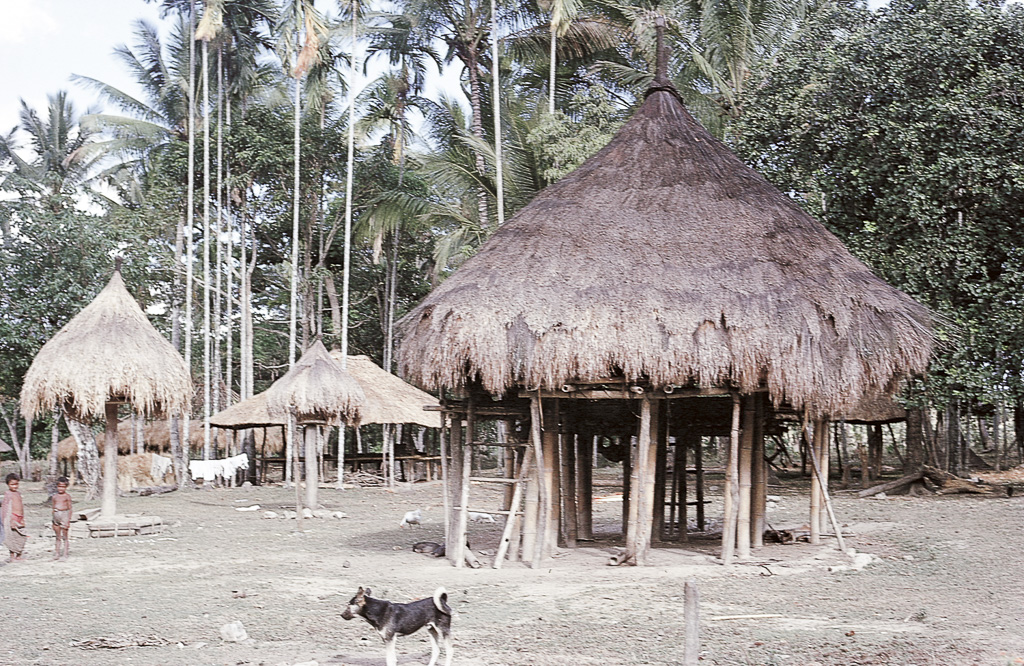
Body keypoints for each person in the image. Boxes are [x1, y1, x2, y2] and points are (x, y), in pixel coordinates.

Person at [2, 473, 27, 562]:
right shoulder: (8, 494)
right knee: (12, 537)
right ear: (8, 484)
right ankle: (12, 556)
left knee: (21, 537)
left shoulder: (18, 493)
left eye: (16, 484)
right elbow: (6, 507)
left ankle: (19, 555)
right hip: (12, 518)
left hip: (19, 518)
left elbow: (21, 506)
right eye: (12, 484)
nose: (15, 486)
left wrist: (22, 518)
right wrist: (9, 520)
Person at [52, 476, 72, 560]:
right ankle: (57, 554)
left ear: (66, 487)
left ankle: (65, 554)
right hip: (56, 515)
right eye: (59, 486)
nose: (61, 488)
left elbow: (70, 508)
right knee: (57, 537)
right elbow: (53, 508)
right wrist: (53, 519)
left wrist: (68, 520)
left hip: (64, 515)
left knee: (65, 537)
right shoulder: (55, 497)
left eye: (63, 487)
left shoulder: (67, 496)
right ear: (57, 486)